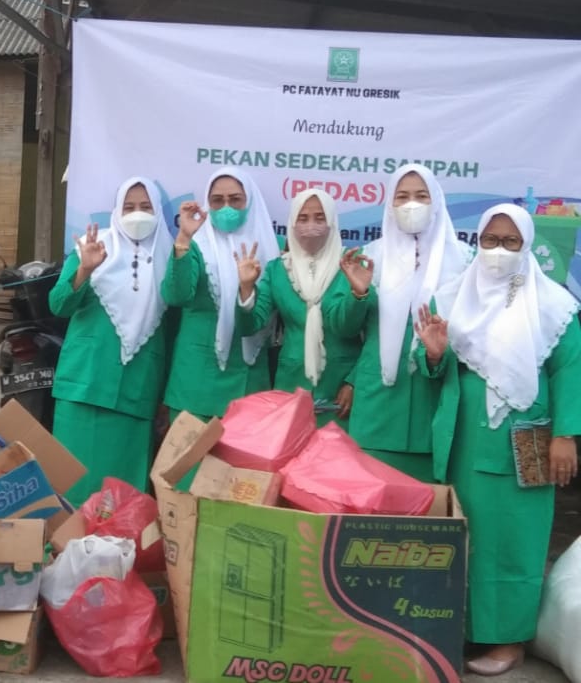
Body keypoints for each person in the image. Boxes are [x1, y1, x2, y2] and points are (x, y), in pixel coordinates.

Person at [429, 204, 581, 676]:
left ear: (527, 245)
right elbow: (436, 371)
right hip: (463, 444)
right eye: (489, 241)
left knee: (514, 539)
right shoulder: (455, 297)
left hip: (525, 441)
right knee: (466, 539)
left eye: (510, 242)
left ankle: (509, 640)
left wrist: (566, 436)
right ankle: (467, 631)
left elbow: (570, 371)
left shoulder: (553, 305)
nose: (497, 251)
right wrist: (435, 354)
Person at [326, 163, 471, 480]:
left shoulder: (464, 260)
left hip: (434, 405)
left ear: (436, 202)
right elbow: (340, 326)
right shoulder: (369, 257)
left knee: (422, 516)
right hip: (379, 404)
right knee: (371, 505)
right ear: (390, 205)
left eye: (421, 196)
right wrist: (358, 294)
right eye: (402, 196)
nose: (411, 204)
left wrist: (437, 353)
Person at [49, 177, 173, 504]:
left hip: (136, 393)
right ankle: (64, 553)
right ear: (116, 210)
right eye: (129, 207)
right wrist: (85, 270)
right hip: (84, 388)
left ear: (158, 211)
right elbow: (58, 305)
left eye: (146, 207)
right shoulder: (92, 247)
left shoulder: (170, 259)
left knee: (121, 499)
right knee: (74, 489)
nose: (137, 214)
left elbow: (172, 330)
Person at [161, 167, 279, 420]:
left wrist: (247, 288)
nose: (226, 207)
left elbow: (253, 324)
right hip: (195, 383)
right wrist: (183, 238)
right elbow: (176, 296)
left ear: (250, 202)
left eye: (235, 199)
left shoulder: (269, 250)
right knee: (189, 460)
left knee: (239, 461)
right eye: (217, 200)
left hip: (247, 385)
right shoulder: (195, 245)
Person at [235, 189, 360, 424]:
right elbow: (251, 325)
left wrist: (354, 381)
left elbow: (366, 330)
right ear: (291, 223)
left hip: (341, 388)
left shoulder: (352, 264)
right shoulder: (278, 269)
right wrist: (245, 289)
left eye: (320, 218)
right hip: (291, 383)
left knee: (335, 458)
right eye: (302, 219)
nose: (311, 225)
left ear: (333, 222)